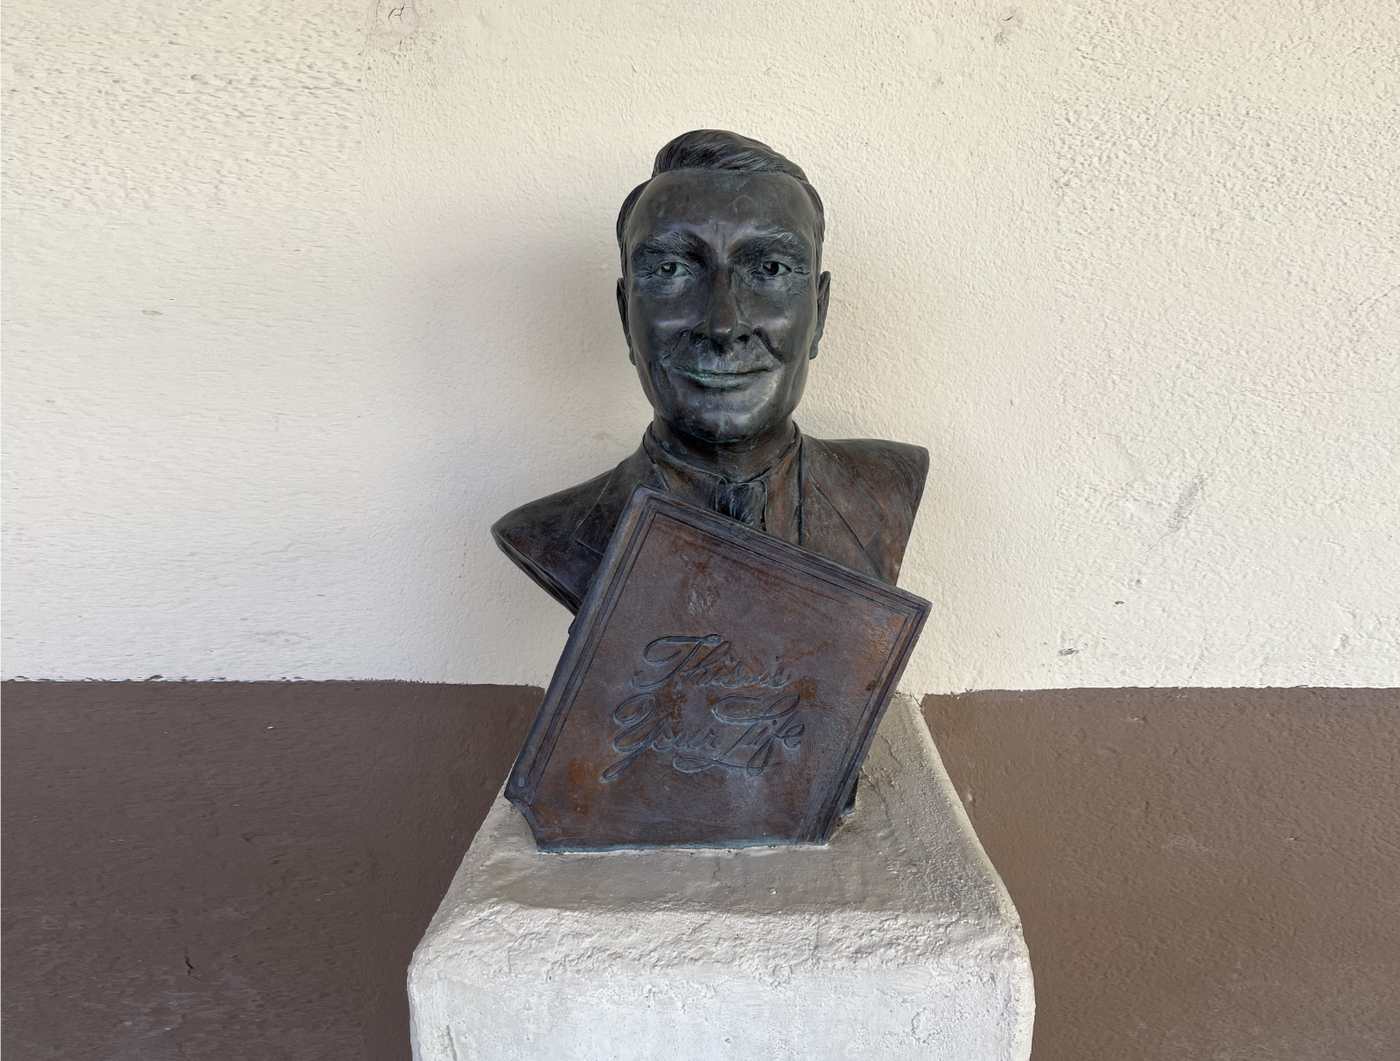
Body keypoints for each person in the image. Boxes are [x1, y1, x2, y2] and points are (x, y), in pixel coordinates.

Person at [492, 130, 928, 612]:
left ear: (819, 313)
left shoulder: (888, 487)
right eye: (672, 270)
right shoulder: (555, 533)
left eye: (771, 269)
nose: (722, 325)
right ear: (625, 316)